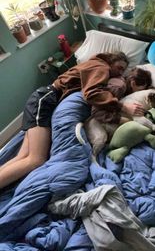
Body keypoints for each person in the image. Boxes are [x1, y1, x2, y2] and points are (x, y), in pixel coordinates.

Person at [0, 52, 146, 190]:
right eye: (119, 68)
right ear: (111, 61)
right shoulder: (102, 67)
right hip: (45, 101)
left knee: (23, 156)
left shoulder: (96, 64)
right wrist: (123, 107)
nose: (120, 73)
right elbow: (91, 93)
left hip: (43, 99)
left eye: (123, 71)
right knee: (36, 160)